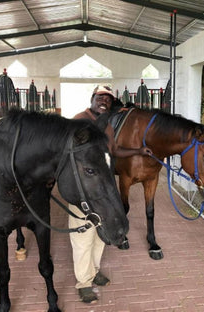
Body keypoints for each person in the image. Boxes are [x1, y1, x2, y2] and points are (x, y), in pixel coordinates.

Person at [69, 85, 152, 304]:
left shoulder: (107, 126)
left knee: (99, 234)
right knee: (83, 237)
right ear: (92, 98)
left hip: (104, 189)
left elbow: (114, 151)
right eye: (100, 97)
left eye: (108, 98)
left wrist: (138, 151)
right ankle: (84, 283)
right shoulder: (79, 121)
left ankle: (94, 271)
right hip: (85, 190)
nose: (104, 101)